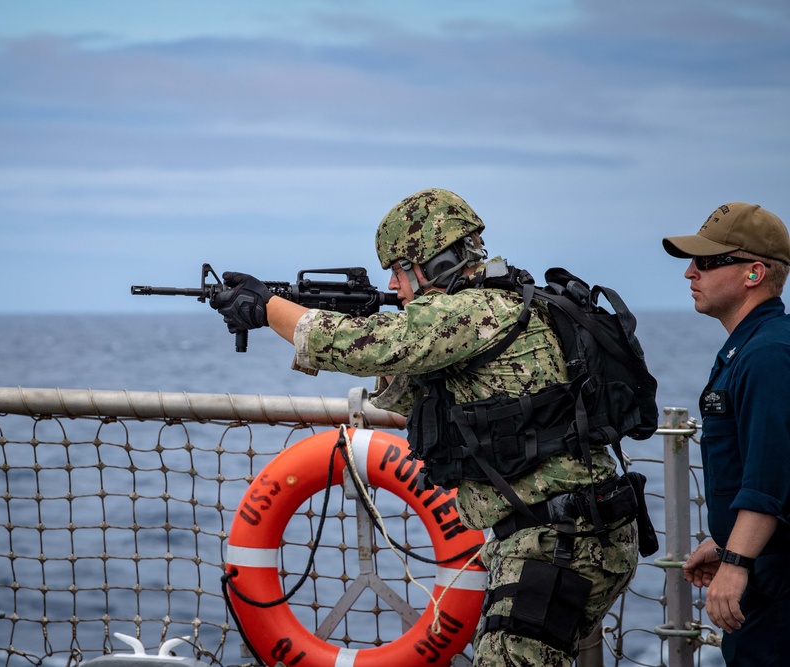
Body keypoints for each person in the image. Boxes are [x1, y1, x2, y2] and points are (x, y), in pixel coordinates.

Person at [210, 188, 639, 666]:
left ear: (434, 265)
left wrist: (266, 307)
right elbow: (417, 394)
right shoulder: (502, 307)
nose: (393, 286)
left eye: (398, 269)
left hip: (558, 537)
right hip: (567, 531)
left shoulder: (473, 311)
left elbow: (363, 345)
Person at [665, 202, 790, 666]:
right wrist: (724, 542)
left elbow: (769, 478)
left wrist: (735, 565)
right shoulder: (753, 349)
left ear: (754, 273)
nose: (690, 273)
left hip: (775, 586)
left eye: (708, 261)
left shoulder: (767, 356)